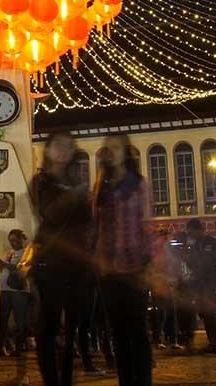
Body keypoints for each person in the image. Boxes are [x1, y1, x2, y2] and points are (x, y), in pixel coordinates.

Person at [29, 132, 92, 386]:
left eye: (68, 146)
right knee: (49, 327)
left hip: (77, 266)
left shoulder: (76, 183)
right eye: (57, 145)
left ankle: (65, 379)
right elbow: (50, 213)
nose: (63, 150)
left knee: (72, 328)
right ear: (47, 150)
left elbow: (87, 223)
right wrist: (75, 195)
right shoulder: (41, 182)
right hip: (50, 264)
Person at [95, 135, 152, 386]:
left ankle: (144, 380)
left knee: (137, 330)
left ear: (126, 152)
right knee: (117, 331)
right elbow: (97, 226)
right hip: (109, 270)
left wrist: (149, 264)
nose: (111, 152)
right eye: (107, 149)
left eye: (116, 147)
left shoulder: (138, 184)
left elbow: (147, 224)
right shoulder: (102, 186)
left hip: (135, 267)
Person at [182, 219, 216, 354]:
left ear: (199, 230)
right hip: (199, 284)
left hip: (210, 283)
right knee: (205, 314)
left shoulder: (214, 243)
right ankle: (212, 342)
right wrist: (187, 256)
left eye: (191, 232)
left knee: (210, 312)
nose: (190, 235)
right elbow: (192, 265)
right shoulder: (195, 246)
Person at [0, 229, 32, 357]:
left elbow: (20, 270)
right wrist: (2, 266)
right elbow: (6, 270)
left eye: (15, 240)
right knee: (2, 319)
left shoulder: (27, 253)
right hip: (5, 290)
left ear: (22, 239)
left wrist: (5, 265)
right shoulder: (10, 253)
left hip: (19, 291)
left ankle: (18, 349)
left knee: (19, 321)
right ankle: (1, 347)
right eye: (10, 240)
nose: (12, 243)